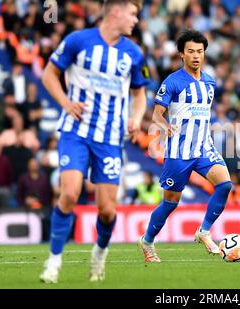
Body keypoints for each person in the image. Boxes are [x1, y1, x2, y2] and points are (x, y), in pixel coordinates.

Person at [39, 0, 148, 283]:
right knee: (70, 193)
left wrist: (136, 119)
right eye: (133, 14)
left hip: (110, 139)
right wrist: (65, 102)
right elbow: (49, 74)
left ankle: (99, 253)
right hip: (76, 131)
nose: (136, 20)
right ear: (116, 11)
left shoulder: (134, 54)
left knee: (107, 209)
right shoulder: (78, 40)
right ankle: (53, 262)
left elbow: (139, 94)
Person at [139, 29, 232, 263]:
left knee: (225, 184)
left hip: (203, 148)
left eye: (199, 51)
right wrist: (164, 125)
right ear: (182, 54)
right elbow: (156, 114)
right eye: (190, 51)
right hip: (179, 152)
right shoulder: (172, 81)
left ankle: (204, 231)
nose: (196, 56)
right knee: (170, 203)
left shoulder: (210, 82)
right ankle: (148, 240)